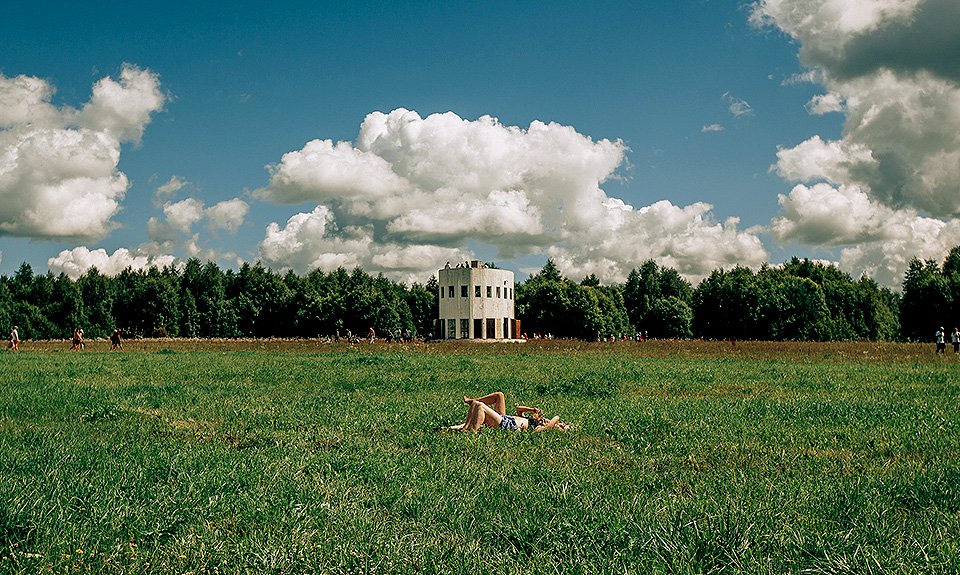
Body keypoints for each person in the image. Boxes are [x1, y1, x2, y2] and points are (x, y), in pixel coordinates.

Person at [446, 391, 568, 432]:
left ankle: (472, 432)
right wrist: (531, 410)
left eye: (563, 426)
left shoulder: (541, 428)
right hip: (505, 417)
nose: (562, 424)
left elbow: (556, 417)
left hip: (506, 424)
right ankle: (466, 423)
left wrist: (554, 424)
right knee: (499, 395)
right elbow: (518, 409)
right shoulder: (531, 420)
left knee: (480, 406)